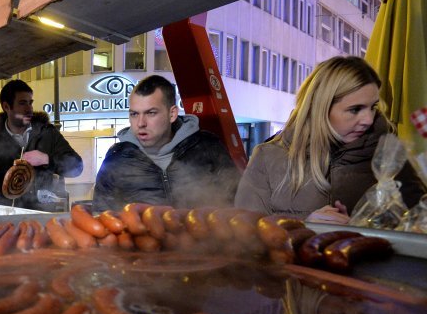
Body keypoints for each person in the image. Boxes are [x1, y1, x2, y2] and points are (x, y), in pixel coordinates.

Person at [234, 56, 425, 223]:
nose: (368, 119)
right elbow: (244, 232)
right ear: (320, 108)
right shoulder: (268, 157)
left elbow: (418, 225)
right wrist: (305, 226)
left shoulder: (389, 157)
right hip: (293, 265)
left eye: (372, 106)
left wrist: (365, 226)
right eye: (355, 109)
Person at [93, 75, 239, 212]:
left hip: (204, 237)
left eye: (151, 113)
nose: (140, 123)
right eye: (134, 114)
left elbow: (235, 204)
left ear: (172, 114)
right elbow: (102, 216)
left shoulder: (208, 147)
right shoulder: (117, 158)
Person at [0, 79, 83, 211]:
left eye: (30, 103)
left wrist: (46, 159)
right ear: (6, 107)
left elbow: (77, 167)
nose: (29, 109)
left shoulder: (47, 133)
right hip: (5, 214)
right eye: (22, 103)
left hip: (42, 213)